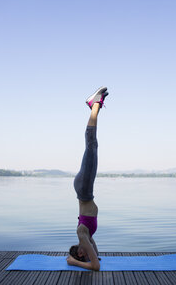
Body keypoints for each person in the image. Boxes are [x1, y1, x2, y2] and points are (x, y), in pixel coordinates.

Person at [67, 86, 109, 271]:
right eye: (84, 255)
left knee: (91, 145)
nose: (87, 251)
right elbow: (96, 258)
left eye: (81, 254)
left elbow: (95, 266)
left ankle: (94, 106)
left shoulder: (81, 235)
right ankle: (95, 107)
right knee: (92, 146)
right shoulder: (87, 238)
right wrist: (88, 256)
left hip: (84, 190)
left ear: (80, 252)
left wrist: (73, 261)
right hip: (84, 190)